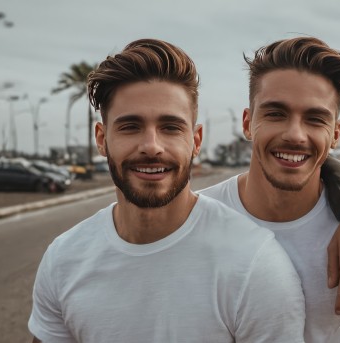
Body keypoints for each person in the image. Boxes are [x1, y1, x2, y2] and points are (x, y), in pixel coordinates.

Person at [28, 38, 306, 343]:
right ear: (101, 138)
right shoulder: (63, 259)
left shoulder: (255, 265)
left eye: (170, 127)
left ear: (196, 140)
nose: (151, 146)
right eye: (130, 126)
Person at [200, 37, 340, 342]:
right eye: (276, 114)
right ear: (248, 122)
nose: (295, 135)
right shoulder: (194, 221)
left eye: (315, 119)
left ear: (336, 134)